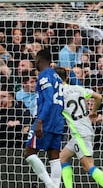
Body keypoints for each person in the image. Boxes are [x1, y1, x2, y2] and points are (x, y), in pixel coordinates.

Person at [54, 67, 103, 188]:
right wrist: (93, 112)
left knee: (88, 166)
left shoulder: (58, 94)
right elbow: (99, 97)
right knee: (62, 159)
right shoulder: (78, 88)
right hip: (82, 130)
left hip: (80, 133)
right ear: (67, 77)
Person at [24, 49, 64, 188]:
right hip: (58, 120)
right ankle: (55, 186)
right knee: (54, 157)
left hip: (46, 119)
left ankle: (50, 185)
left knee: (29, 153)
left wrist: (40, 120)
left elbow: (48, 100)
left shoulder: (44, 75)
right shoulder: (57, 76)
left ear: (39, 61)